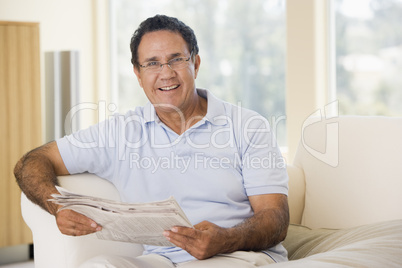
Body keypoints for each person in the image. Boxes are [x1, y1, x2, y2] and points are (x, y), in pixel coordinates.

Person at [14, 15, 289, 268]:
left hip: (237, 255)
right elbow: (32, 162)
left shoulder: (248, 126)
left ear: (195, 63)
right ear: (138, 74)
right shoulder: (121, 132)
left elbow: (275, 219)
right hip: (161, 259)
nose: (166, 73)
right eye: (152, 63)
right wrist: (57, 206)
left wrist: (226, 239)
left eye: (176, 59)